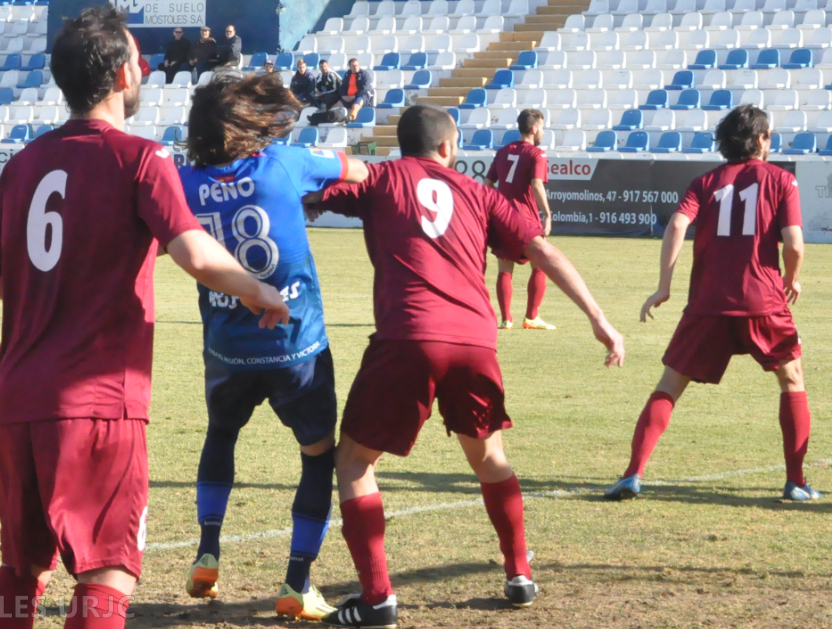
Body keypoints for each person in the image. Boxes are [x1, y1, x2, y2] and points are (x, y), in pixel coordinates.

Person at [0, 8, 288, 629]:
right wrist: (260, 291)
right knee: (107, 571)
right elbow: (193, 250)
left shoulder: (23, 163)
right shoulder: (141, 158)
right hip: (96, 400)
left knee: (21, 568)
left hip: (15, 396)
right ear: (124, 72)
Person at [305, 106, 625, 626]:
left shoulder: (381, 176)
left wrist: (310, 200)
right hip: (476, 341)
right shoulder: (479, 193)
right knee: (490, 458)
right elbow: (541, 251)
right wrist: (599, 318)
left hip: (409, 336)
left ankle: (378, 597)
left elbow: (308, 192)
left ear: (403, 144)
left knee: (354, 462)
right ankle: (519, 572)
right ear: (449, 149)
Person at [178, 73, 369, 622]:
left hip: (226, 350)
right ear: (252, 123)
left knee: (221, 434)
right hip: (295, 347)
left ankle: (207, 551)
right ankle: (296, 583)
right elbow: (356, 171)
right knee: (316, 460)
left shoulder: (182, 181)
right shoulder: (284, 164)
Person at [604, 104, 817, 502]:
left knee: (669, 384)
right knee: (792, 381)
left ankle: (632, 475)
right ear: (760, 140)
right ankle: (796, 481)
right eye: (768, 136)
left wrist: (663, 286)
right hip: (764, 302)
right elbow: (794, 244)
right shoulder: (782, 180)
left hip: (707, 303)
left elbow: (677, 224)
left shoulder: (705, 182)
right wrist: (792, 280)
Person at [484, 109, 556, 331]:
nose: (543, 131)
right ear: (534, 128)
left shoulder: (503, 151)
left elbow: (487, 183)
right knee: (541, 265)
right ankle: (532, 317)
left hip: (502, 217)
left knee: (504, 269)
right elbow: (536, 184)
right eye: (542, 127)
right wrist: (547, 213)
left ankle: (506, 320)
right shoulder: (537, 154)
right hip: (526, 219)